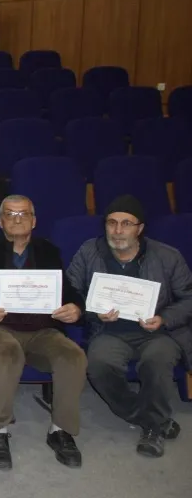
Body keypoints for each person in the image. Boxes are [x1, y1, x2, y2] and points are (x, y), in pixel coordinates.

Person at [0, 195, 87, 470]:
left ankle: (61, 430)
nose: (17, 220)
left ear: (34, 221)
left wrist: (76, 308)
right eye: (10, 214)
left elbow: (68, 291)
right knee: (7, 351)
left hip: (42, 330)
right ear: (0, 221)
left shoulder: (48, 251)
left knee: (72, 355)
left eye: (23, 214)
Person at [67, 195, 191, 458]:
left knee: (157, 361)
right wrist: (93, 312)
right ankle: (149, 418)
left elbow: (188, 299)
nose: (118, 230)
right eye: (112, 223)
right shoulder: (89, 251)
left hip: (157, 333)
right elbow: (71, 291)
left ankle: (153, 429)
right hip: (108, 332)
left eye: (126, 223)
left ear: (140, 228)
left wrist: (164, 318)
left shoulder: (167, 256)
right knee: (99, 364)